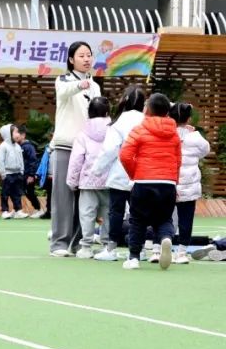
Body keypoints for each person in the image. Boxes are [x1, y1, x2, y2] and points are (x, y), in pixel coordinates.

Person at [50, 41, 102, 257]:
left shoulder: (95, 85)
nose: (86, 59)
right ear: (71, 60)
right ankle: (59, 243)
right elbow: (63, 93)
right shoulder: (63, 80)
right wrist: (79, 86)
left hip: (88, 149)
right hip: (65, 146)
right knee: (63, 197)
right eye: (81, 56)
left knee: (86, 198)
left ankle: (80, 242)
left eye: (89, 55)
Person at [119, 93, 181, 270]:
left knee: (137, 220)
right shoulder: (174, 133)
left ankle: (134, 258)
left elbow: (125, 155)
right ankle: (166, 238)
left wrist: (134, 173)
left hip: (144, 180)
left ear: (148, 109)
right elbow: (178, 160)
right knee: (164, 219)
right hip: (168, 183)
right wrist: (174, 182)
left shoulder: (139, 130)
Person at [89, 85, 146, 261]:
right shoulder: (147, 120)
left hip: (121, 173)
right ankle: (140, 249)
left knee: (116, 212)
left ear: (124, 100)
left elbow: (109, 150)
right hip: (143, 174)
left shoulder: (119, 122)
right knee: (139, 214)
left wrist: (97, 170)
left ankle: (111, 249)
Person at [66, 96, 111, 258]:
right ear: (107, 112)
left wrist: (72, 181)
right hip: (109, 180)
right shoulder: (113, 130)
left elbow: (76, 159)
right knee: (108, 213)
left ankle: (86, 246)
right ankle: (107, 246)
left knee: (87, 213)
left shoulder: (83, 134)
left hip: (87, 180)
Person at [170, 102, 210, 264]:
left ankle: (159, 247)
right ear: (188, 118)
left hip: (168, 182)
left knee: (164, 217)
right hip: (189, 183)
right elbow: (205, 150)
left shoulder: (165, 133)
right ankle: (181, 252)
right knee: (186, 218)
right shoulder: (195, 136)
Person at [12, 125, 43, 218]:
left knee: (30, 192)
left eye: (18, 134)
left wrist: (31, 175)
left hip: (28, 175)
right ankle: (17, 210)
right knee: (18, 192)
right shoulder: (17, 146)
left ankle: (38, 209)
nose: (16, 136)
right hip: (20, 174)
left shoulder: (28, 147)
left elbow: (33, 160)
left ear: (23, 135)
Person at [0, 124, 27, 219]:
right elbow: (0, 160)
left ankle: (18, 210)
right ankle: (5, 211)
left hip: (17, 173)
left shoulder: (17, 146)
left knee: (17, 193)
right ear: (8, 134)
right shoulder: (3, 146)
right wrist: (3, 173)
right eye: (16, 132)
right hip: (8, 173)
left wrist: (22, 170)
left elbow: (21, 159)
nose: (18, 134)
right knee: (5, 193)